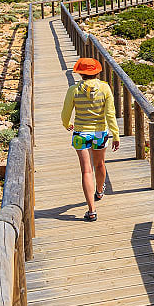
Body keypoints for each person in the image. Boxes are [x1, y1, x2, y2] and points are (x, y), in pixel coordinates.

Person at [60, 57, 120, 221]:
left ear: (80, 73)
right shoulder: (105, 88)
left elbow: (65, 114)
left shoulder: (74, 90)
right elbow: (110, 114)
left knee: (86, 170)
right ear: (97, 72)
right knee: (100, 164)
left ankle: (91, 210)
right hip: (100, 132)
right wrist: (115, 134)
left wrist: (67, 125)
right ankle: (99, 191)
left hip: (80, 133)